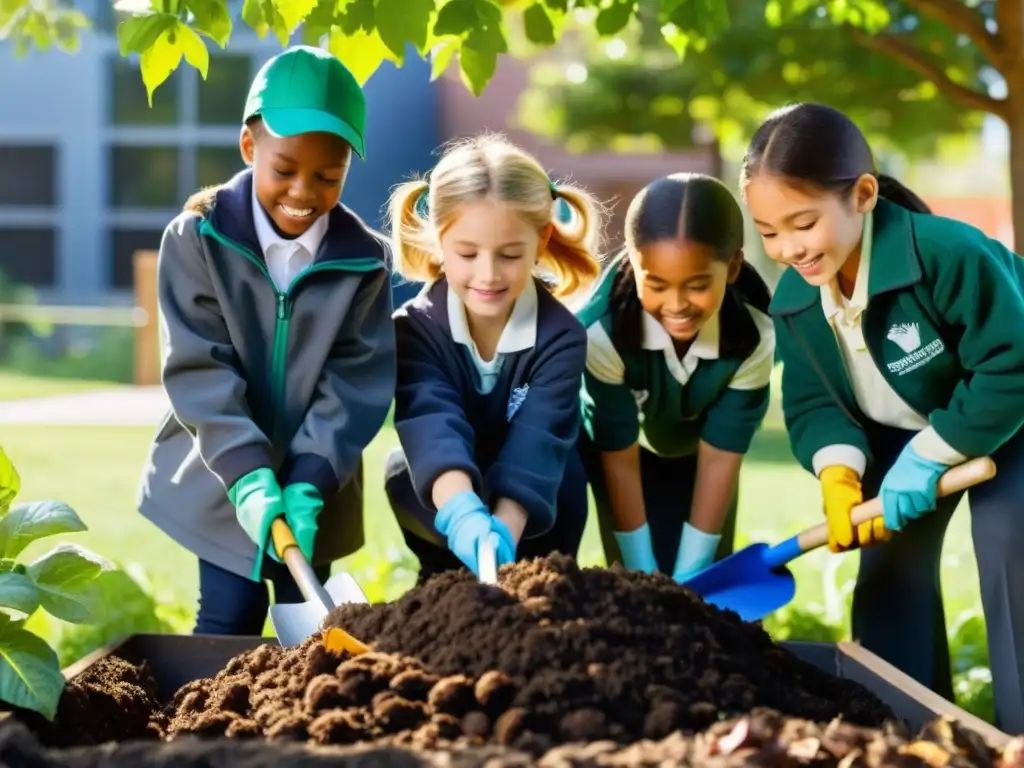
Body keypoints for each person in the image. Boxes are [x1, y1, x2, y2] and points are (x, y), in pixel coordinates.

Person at [740, 101, 1024, 732]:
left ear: (863, 195)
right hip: (901, 442)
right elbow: (814, 401)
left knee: (1010, 546)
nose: (787, 248)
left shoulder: (949, 254)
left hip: (1010, 419)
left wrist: (932, 452)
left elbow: (1012, 363)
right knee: (889, 569)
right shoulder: (795, 300)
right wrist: (840, 475)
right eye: (767, 231)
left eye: (803, 223)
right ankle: (912, 730)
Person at [137, 46, 395, 635]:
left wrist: (308, 480)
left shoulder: (364, 262)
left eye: (328, 176)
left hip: (318, 486)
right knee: (230, 617)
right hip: (224, 476)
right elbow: (200, 366)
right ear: (250, 148)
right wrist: (249, 475)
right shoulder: (198, 239)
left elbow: (356, 379)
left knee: (311, 635)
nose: (303, 192)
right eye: (284, 170)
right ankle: (206, 731)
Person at [382, 134, 602, 583]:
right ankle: (442, 585)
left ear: (541, 240)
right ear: (439, 240)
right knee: (401, 471)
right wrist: (465, 516)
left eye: (509, 255)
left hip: (539, 511)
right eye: (467, 253)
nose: (488, 274)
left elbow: (536, 445)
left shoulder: (561, 338)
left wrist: (503, 533)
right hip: (445, 505)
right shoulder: (414, 329)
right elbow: (431, 421)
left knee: (538, 590)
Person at [575, 173, 776, 579]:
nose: (677, 304)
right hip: (619, 457)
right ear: (634, 264)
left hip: (702, 454)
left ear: (734, 266)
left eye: (698, 285)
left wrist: (694, 572)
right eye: (658, 285)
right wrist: (642, 569)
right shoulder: (601, 333)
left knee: (704, 585)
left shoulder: (756, 333)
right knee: (632, 584)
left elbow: (721, 456)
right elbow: (618, 455)